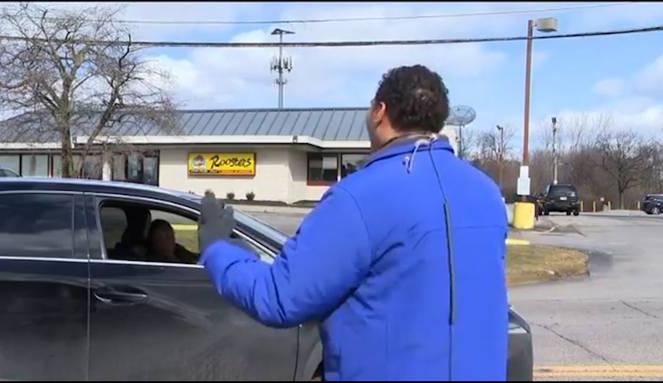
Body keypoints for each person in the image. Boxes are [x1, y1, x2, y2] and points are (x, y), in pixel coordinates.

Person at [198, 65, 508, 381]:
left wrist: (218, 249)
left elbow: (279, 297)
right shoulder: (485, 192)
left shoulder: (357, 197)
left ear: (379, 111)